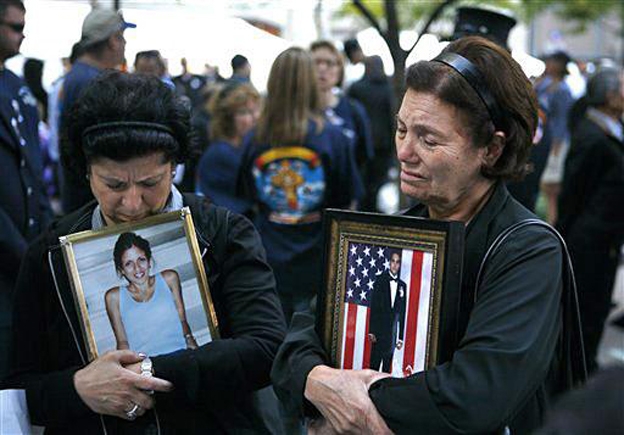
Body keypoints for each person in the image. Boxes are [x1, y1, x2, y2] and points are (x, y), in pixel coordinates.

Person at [271, 36, 585, 435]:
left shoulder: (527, 249)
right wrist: (317, 381)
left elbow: (476, 394)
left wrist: (349, 409)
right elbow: (298, 341)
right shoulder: (391, 230)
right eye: (401, 129)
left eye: (429, 138)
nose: (404, 151)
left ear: (490, 148)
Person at [6, 71, 286, 433]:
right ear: (87, 173)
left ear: (174, 167)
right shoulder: (50, 254)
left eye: (150, 183)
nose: (133, 203)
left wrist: (152, 372)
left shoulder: (224, 234)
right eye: (114, 185)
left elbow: (267, 348)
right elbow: (20, 385)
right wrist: (77, 388)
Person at [239, 47, 360, 324]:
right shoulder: (333, 138)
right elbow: (348, 200)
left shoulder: (254, 139)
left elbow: (245, 196)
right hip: (319, 259)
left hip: (268, 256)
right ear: (309, 83)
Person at [557, 68, 624, 374]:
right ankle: (578, 376)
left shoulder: (611, 128)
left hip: (606, 241)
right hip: (588, 244)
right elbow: (574, 194)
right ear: (610, 96)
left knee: (596, 311)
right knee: (586, 313)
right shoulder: (591, 136)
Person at [0, 0, 52, 381]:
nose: (22, 35)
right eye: (15, 27)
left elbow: (33, 170)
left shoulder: (16, 86)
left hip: (27, 247)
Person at [59, 8, 135, 214]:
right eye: (122, 37)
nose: (125, 44)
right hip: (91, 199)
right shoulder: (94, 82)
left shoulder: (79, 74)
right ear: (113, 39)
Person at [105, 232, 198, 356]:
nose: (137, 268)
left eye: (141, 260)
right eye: (129, 264)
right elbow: (122, 342)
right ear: (122, 270)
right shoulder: (113, 297)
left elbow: (182, 320)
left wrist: (191, 342)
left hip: (180, 354)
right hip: (147, 367)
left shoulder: (169, 279)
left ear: (149, 261)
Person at [310, 40, 373, 208]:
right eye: (316, 62)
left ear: (339, 70)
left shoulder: (353, 110)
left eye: (330, 63)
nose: (322, 68)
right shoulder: (296, 112)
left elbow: (364, 157)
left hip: (345, 203)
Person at [196, 82, 259, 214]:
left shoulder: (246, 145)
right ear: (228, 119)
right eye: (244, 112)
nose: (255, 117)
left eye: (256, 110)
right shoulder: (220, 153)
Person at [348, 55, 396, 211]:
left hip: (361, 143)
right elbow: (391, 117)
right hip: (383, 143)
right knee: (377, 183)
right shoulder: (388, 88)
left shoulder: (356, 88)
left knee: (363, 182)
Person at [536, 51, 575, 224]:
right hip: (544, 137)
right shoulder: (545, 84)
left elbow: (563, 119)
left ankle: (553, 223)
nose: (549, 64)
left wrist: (557, 143)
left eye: (553, 61)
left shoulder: (563, 89)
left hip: (556, 141)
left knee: (551, 186)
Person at [368, 251, 406, 374]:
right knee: (374, 366)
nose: (395, 265)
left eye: (397, 262)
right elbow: (374, 306)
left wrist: (400, 337)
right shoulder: (380, 280)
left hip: (392, 334)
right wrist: (372, 330)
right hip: (379, 332)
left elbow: (402, 312)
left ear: (399, 265)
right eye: (393, 261)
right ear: (389, 263)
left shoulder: (402, 286)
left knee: (386, 370)